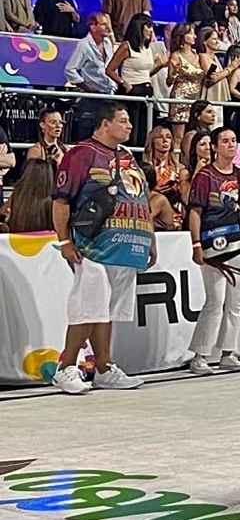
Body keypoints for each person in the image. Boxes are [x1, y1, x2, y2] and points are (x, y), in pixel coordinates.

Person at [50, 102, 156, 394]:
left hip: (127, 244)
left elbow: (141, 199)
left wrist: (150, 238)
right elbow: (61, 200)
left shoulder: (129, 158)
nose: (130, 126)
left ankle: (104, 367)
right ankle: (66, 367)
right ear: (104, 124)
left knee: (106, 310)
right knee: (88, 306)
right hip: (92, 245)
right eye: (123, 121)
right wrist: (65, 241)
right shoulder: (81, 154)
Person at [186, 127, 240, 375]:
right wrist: (196, 244)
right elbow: (195, 211)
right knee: (215, 300)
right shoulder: (205, 177)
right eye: (225, 141)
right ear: (214, 147)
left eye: (234, 140)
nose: (231, 145)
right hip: (214, 241)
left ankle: (228, 353)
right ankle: (200, 355)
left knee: (236, 302)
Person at [106, 14, 168, 144]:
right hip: (132, 91)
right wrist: (125, 84)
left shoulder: (147, 48)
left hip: (146, 91)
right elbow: (110, 70)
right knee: (132, 133)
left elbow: (146, 73)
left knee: (143, 133)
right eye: (149, 27)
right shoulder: (126, 47)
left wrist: (159, 65)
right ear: (139, 28)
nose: (151, 31)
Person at [64, 13, 116, 142]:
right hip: (89, 99)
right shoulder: (84, 45)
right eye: (104, 24)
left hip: (108, 95)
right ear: (93, 27)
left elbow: (111, 66)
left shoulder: (108, 43)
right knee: (87, 135)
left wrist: (114, 86)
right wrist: (87, 88)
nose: (108, 28)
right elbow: (70, 70)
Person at [167, 23, 204, 145]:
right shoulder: (176, 55)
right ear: (182, 36)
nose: (194, 36)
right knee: (179, 137)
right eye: (190, 33)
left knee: (193, 136)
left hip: (195, 99)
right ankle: (176, 163)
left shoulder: (197, 56)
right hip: (180, 99)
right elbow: (169, 82)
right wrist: (176, 72)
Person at [5, 158, 54, 233]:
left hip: (18, 241)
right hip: (45, 242)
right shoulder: (53, 201)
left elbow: (3, 212)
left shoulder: (17, 196)